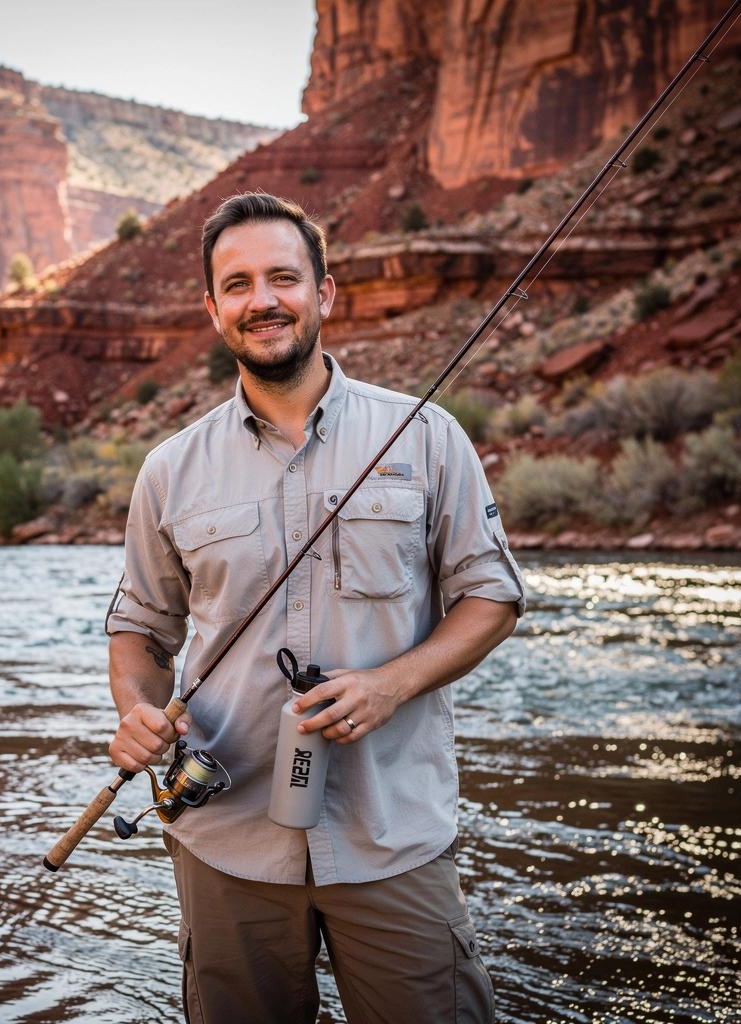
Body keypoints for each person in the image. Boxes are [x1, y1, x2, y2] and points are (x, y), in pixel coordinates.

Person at [105, 192, 526, 1024]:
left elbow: (492, 595)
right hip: (227, 841)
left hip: (393, 835)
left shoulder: (427, 435)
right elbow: (141, 629)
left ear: (325, 293)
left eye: (283, 277)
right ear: (215, 308)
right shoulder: (169, 470)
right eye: (238, 284)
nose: (262, 300)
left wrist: (392, 684)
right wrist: (135, 711)